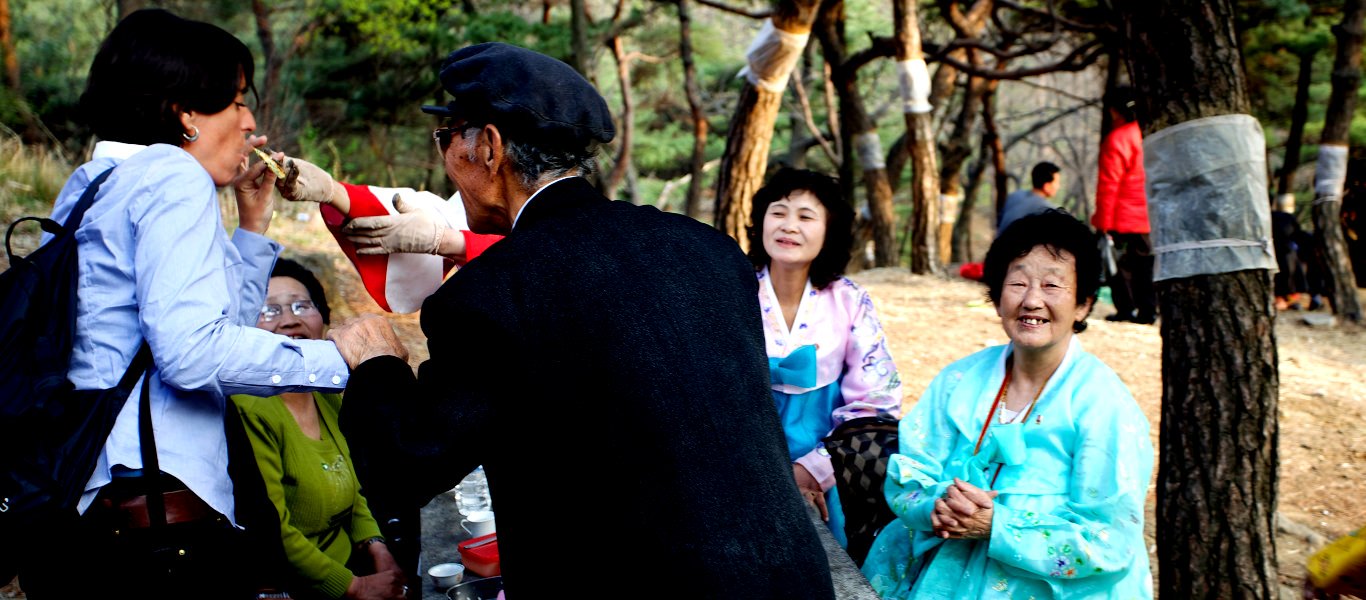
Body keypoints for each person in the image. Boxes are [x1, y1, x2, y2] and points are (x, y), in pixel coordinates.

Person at [327, 42, 835, 598]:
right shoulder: (709, 250)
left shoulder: (493, 291)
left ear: (490, 148)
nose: (445, 155)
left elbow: (409, 464)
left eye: (447, 137)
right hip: (789, 576)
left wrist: (377, 362)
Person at [19, 9, 351, 597]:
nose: (251, 122)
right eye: (238, 101)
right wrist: (340, 360)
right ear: (185, 113)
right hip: (156, 523)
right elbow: (193, 355)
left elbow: (207, 328)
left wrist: (250, 229)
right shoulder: (174, 175)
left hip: (84, 503)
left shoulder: (93, 180)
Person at [861, 209, 1155, 598]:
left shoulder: (1105, 406)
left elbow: (1108, 538)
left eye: (1052, 285)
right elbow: (911, 473)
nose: (1032, 300)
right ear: (998, 299)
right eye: (1018, 283)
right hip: (941, 566)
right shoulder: (958, 381)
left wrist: (997, 526)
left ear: (1083, 304)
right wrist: (938, 506)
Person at [746, 168, 903, 549]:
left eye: (805, 216)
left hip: (827, 455)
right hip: (743, 446)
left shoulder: (850, 300)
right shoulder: (731, 288)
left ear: (829, 230)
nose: (789, 226)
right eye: (778, 211)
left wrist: (812, 470)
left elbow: (876, 400)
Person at [232, 258, 405, 600]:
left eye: (301, 305)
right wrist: (355, 587)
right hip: (299, 587)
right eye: (268, 311)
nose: (289, 319)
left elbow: (352, 490)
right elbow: (274, 530)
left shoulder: (327, 394)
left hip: (351, 565)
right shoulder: (248, 406)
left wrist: (376, 546)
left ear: (323, 319)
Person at [273, 158, 501, 313]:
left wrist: (446, 241)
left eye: (448, 136)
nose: (448, 153)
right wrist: (332, 191)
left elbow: (526, 255)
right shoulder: (475, 203)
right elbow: (425, 214)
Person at [1092, 86, 1157, 325]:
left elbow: (1109, 185)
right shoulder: (1149, 134)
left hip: (1122, 215)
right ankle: (1148, 310)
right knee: (1146, 263)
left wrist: (1103, 223)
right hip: (1149, 215)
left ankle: (1126, 309)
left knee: (1120, 266)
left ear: (1113, 111)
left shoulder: (1118, 139)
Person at [998, 162, 1061, 234]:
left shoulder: (1015, 195)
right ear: (1046, 186)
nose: (1058, 187)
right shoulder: (1048, 210)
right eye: (1057, 183)